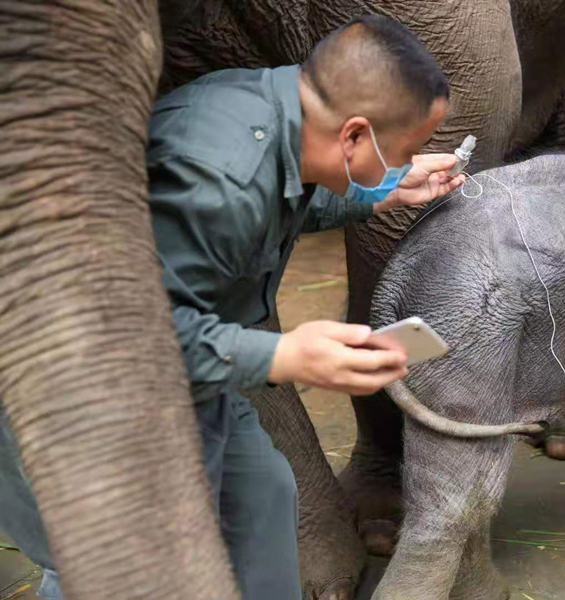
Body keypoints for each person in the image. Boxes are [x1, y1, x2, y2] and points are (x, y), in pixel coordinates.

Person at [1, 14, 463, 600]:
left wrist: (383, 190)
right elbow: (133, 342)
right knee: (107, 563)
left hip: (188, 377)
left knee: (263, 494)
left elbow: (283, 201)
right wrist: (284, 354)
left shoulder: (271, 112)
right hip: (72, 389)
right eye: (403, 152)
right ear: (353, 136)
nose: (405, 163)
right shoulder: (219, 178)